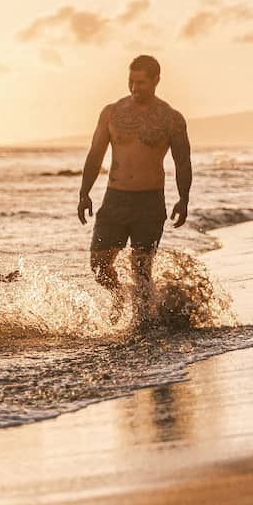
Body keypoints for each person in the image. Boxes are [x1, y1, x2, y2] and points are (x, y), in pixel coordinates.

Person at [77, 53, 191, 323]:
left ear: (156, 80)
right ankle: (118, 295)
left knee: (141, 271)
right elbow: (95, 154)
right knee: (99, 267)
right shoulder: (112, 113)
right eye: (131, 81)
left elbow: (182, 161)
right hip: (115, 199)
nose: (134, 88)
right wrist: (84, 193)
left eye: (141, 82)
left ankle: (142, 328)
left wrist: (183, 198)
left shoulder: (171, 118)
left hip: (149, 203)